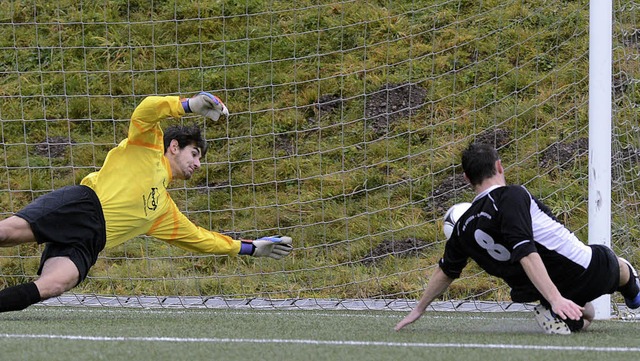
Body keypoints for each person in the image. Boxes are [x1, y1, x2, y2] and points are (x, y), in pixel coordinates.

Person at [0, 92, 293, 312]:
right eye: (195, 154)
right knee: (6, 234)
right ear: (174, 147)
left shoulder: (163, 211)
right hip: (82, 206)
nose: (198, 164)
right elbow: (145, 111)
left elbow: (202, 239)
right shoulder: (147, 146)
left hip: (89, 243)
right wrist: (187, 105)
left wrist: (250, 248)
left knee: (54, 285)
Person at [395, 142, 640, 334]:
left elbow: (445, 270)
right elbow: (524, 250)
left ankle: (571, 310)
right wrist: (556, 299)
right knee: (612, 270)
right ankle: (621, 289)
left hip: (542, 288)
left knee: (585, 314)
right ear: (500, 167)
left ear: (467, 179)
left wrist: (419, 308)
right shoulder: (512, 195)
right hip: (586, 270)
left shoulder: (461, 229)